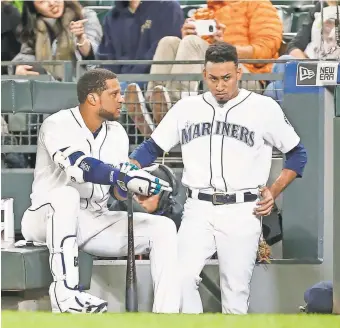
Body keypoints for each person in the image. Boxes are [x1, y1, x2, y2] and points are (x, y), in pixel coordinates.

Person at [128, 42, 308, 314]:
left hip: (243, 209)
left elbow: (297, 154)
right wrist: (127, 167)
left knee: (235, 293)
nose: (220, 85)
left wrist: (274, 190)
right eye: (213, 78)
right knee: (180, 279)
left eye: (226, 78)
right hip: (198, 208)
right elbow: (151, 148)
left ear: (239, 73)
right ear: (204, 75)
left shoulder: (263, 108)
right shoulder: (187, 108)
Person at [20, 68, 180, 314]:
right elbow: (79, 166)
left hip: (94, 220)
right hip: (45, 217)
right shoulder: (57, 124)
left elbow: (116, 191)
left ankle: (167, 316)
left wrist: (132, 186)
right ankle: (66, 296)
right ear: (93, 98)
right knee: (67, 195)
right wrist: (121, 175)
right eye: (114, 93)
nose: (121, 98)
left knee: (163, 229)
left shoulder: (117, 133)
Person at [128, 0, 282, 132]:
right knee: (169, 42)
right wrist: (184, 37)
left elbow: (266, 51)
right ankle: (154, 104)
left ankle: (176, 110)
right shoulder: (202, 13)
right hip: (210, 75)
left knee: (192, 43)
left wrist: (224, 48)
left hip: (247, 76)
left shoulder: (258, 4)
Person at [96, 0, 184, 136]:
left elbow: (163, 51)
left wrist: (129, 80)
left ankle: (155, 132)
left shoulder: (168, 7)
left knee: (132, 91)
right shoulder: (112, 16)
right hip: (121, 81)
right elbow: (106, 56)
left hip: (154, 79)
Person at [12, 0, 102, 80]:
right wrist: (19, 67)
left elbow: (95, 55)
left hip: (84, 85)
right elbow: (26, 54)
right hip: (48, 89)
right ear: (34, 8)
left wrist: (81, 39)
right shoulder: (35, 27)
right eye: (42, 1)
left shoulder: (85, 16)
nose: (52, 3)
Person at [111, 164, 184, 231]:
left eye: (146, 195)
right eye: (135, 193)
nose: (138, 200)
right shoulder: (118, 211)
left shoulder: (179, 220)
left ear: (165, 196)